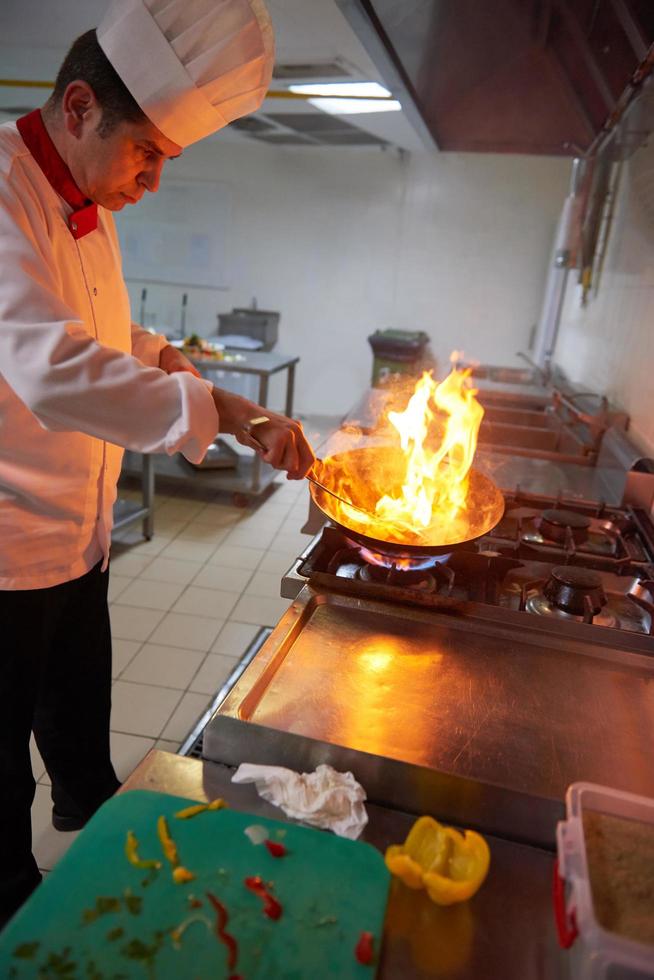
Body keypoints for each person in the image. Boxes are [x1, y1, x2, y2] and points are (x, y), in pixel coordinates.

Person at [0, 0, 314, 929]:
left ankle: (100, 852)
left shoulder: (86, 205)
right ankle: (20, 922)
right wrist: (215, 410)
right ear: (81, 107)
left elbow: (112, 338)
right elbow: (50, 368)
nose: (155, 181)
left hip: (78, 546)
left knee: (83, 756)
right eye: (150, 154)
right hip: (6, 551)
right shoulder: (4, 190)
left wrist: (212, 390)